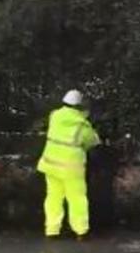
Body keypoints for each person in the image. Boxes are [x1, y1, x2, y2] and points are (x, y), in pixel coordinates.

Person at [37, 90, 101, 239]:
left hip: (50, 165)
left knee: (53, 197)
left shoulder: (54, 117)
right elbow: (92, 141)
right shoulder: (82, 125)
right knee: (77, 198)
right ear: (80, 106)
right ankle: (81, 231)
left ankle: (52, 230)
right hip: (72, 168)